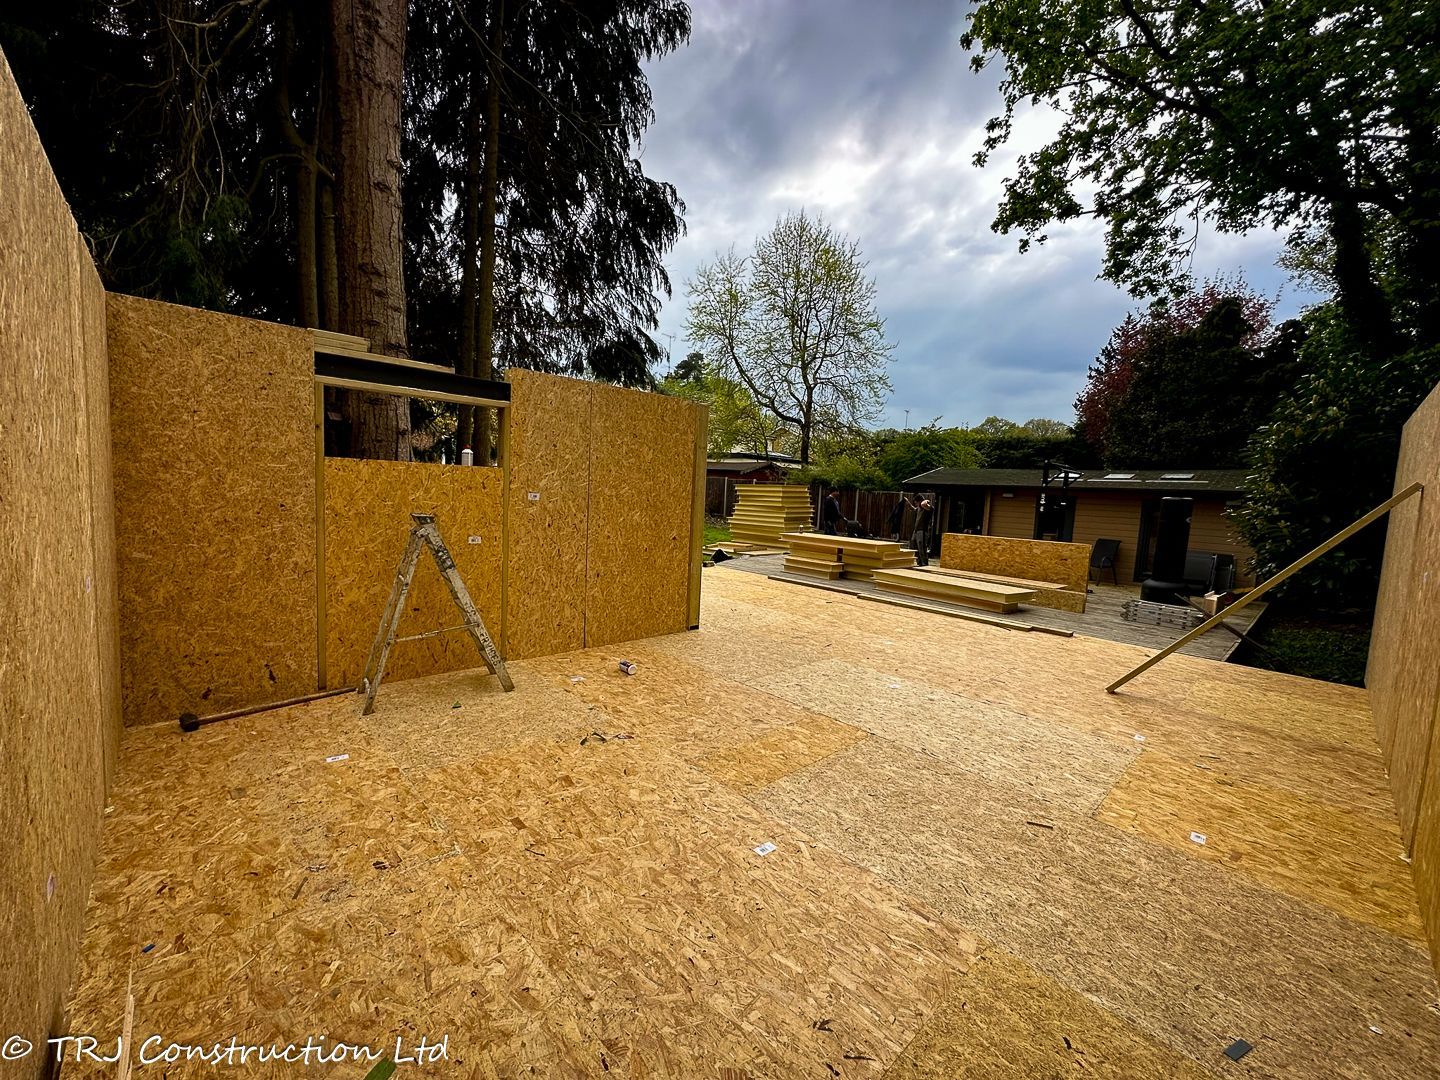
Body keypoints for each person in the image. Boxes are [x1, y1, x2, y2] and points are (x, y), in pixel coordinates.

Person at [907, 495, 934, 565]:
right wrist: (909, 504)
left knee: (922, 547)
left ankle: (924, 563)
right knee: (913, 545)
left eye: (916, 502)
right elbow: (914, 509)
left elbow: (923, 504)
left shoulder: (928, 508)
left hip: (922, 530)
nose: (916, 504)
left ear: (920, 501)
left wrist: (926, 500)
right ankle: (919, 562)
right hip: (916, 530)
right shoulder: (919, 508)